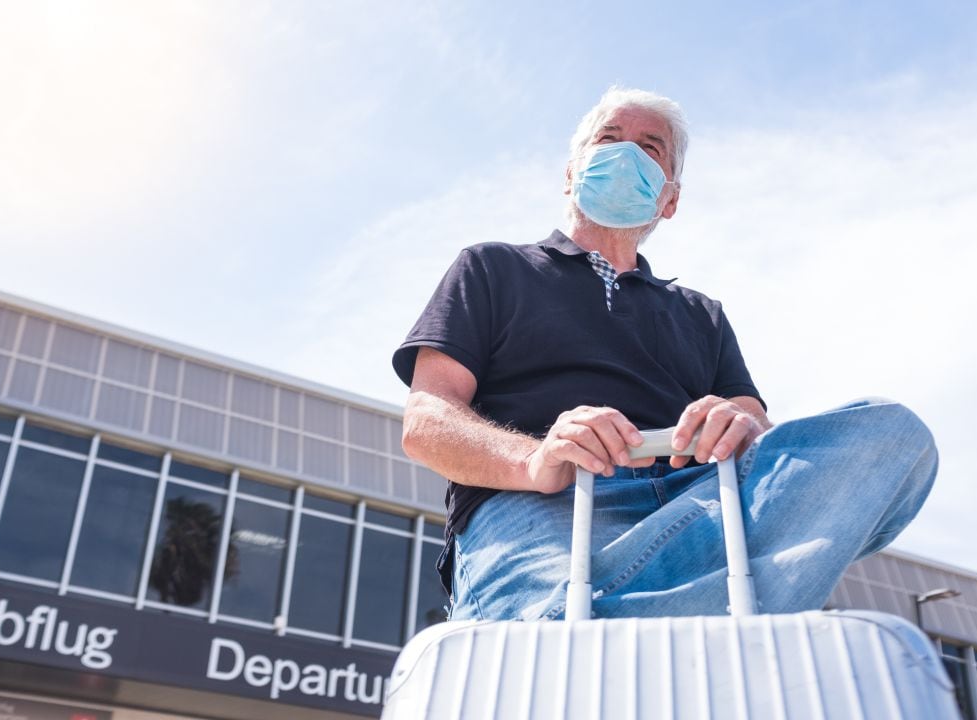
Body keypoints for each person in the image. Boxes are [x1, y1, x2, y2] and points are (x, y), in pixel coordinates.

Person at [391, 87, 937, 622]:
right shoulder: (491, 268)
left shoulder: (703, 314)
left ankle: (597, 628)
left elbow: (753, 425)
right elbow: (426, 421)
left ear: (669, 198)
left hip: (700, 506)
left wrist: (737, 424)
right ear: (570, 173)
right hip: (542, 503)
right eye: (609, 139)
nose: (626, 153)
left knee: (892, 434)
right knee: (562, 633)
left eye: (651, 147)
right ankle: (680, 621)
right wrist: (535, 461)